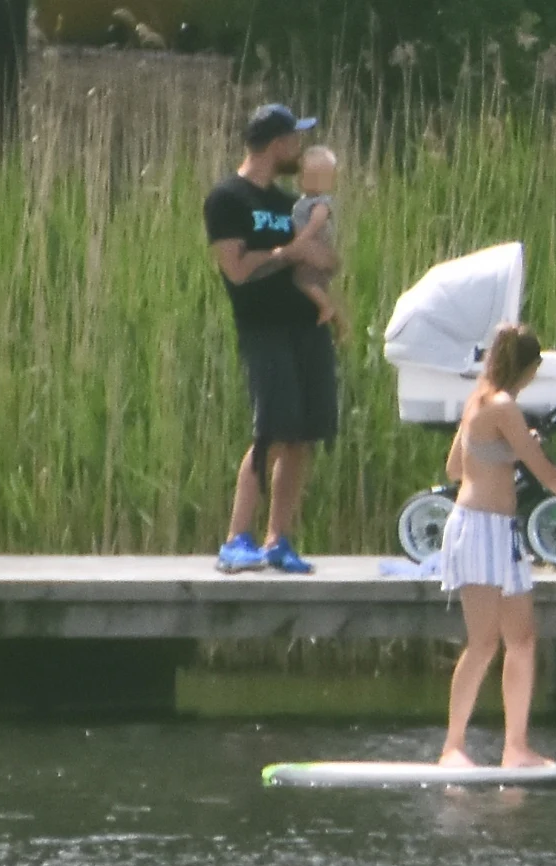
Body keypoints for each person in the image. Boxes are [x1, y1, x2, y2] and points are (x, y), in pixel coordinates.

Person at [437, 324, 556, 769]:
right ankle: (452, 747)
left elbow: (457, 466)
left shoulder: (479, 400)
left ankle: (516, 748)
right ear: (528, 368)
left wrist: (510, 448)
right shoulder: (501, 405)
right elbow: (547, 474)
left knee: (523, 639)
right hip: (477, 530)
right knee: (483, 643)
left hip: (503, 534)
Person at [204, 104, 341, 574]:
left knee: (302, 436)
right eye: (294, 140)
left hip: (307, 326)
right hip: (263, 328)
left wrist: (321, 256)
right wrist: (290, 251)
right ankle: (237, 538)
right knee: (273, 433)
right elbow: (237, 270)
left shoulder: (290, 203)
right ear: (277, 143)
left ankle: (277, 540)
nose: (299, 150)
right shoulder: (228, 198)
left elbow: (324, 258)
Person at [290, 145, 349, 339]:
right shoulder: (305, 200)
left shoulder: (320, 202)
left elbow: (317, 221)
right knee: (321, 286)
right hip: (311, 251)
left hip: (317, 251)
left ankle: (327, 308)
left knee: (303, 281)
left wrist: (302, 238)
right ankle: (340, 324)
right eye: (306, 176)